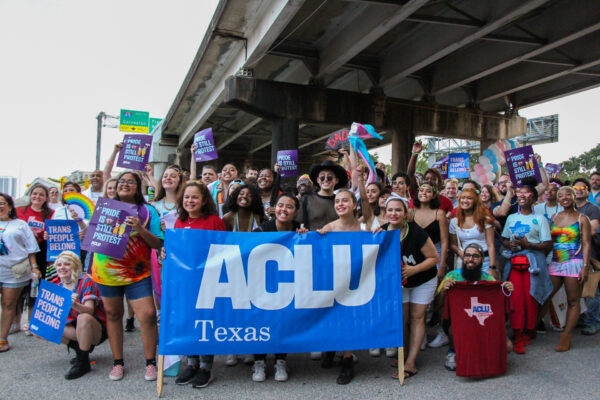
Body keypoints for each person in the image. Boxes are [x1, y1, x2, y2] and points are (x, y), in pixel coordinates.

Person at [90, 171, 163, 382]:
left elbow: (158, 242)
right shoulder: (104, 208)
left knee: (148, 315)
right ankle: (117, 362)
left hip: (137, 272)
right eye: (121, 181)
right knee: (113, 315)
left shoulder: (148, 211)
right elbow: (94, 237)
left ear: (138, 186)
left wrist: (139, 228)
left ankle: (150, 362)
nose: (124, 184)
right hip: (106, 271)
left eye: (130, 182)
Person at [171, 181, 225, 388]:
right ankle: (191, 364)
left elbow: (223, 250)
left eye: (194, 197)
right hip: (186, 283)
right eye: (186, 197)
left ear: (203, 201)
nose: (190, 201)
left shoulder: (214, 221)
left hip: (208, 281)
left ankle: (205, 368)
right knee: (188, 321)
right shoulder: (179, 222)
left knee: (205, 322)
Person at [378, 195, 439, 380]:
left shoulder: (416, 232)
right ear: (385, 212)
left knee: (417, 317)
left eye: (398, 210)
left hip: (423, 279)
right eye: (390, 210)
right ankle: (401, 355)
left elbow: (434, 258)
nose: (394, 213)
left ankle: (411, 362)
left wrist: (414, 270)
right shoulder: (381, 232)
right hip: (399, 284)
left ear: (405, 213)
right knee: (401, 319)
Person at [250, 193, 308, 382]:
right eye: (280, 205)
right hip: (262, 284)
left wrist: (305, 237)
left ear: (296, 211)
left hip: (288, 284)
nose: (284, 209)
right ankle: (259, 361)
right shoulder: (261, 231)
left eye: (289, 206)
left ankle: (280, 360)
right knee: (261, 320)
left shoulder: (300, 230)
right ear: (275, 209)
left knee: (283, 320)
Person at [438, 243, 513, 371]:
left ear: (482, 259)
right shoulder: (452, 276)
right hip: (460, 323)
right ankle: (453, 351)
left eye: (475, 256)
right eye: (467, 255)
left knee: (508, 346)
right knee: (452, 328)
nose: (470, 259)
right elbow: (438, 305)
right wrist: (445, 291)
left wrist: (507, 290)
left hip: (482, 322)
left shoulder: (489, 279)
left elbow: (499, 307)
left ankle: (484, 354)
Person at [501, 178, 553, 354]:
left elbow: (547, 244)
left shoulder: (540, 219)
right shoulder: (511, 217)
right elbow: (504, 239)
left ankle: (528, 332)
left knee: (531, 298)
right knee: (515, 298)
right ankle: (516, 332)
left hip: (533, 265)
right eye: (519, 192)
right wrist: (512, 245)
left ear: (534, 198)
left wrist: (528, 245)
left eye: (527, 193)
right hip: (514, 264)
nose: (522, 196)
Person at [318, 189, 365, 384]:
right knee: (333, 317)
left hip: (356, 280)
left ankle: (347, 359)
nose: (340, 204)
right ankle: (330, 349)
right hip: (333, 280)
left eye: (345, 201)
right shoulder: (328, 227)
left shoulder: (364, 227)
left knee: (348, 319)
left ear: (354, 205)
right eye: (337, 201)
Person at [547, 186, 591, 351]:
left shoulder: (582, 218)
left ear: (573, 197)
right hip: (556, 262)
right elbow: (549, 241)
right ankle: (532, 328)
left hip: (574, 262)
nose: (564, 197)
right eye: (560, 195)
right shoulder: (554, 217)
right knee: (546, 294)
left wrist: (585, 266)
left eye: (567, 194)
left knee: (573, 300)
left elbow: (586, 243)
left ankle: (566, 335)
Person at [54, 251, 107, 379]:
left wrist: (74, 305)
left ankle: (83, 362)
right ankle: (80, 349)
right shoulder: (58, 285)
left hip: (94, 327)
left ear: (75, 266)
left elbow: (90, 311)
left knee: (83, 317)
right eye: (59, 264)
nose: (62, 267)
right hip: (74, 326)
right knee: (42, 326)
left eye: (67, 264)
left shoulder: (85, 280)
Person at [410, 183, 449, 348]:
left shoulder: (439, 214)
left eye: (428, 191)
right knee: (419, 298)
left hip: (436, 254)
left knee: (437, 298)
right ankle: (421, 334)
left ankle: (442, 331)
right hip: (415, 256)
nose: (424, 193)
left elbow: (445, 241)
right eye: (421, 190)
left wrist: (441, 265)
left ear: (434, 195)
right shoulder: (411, 212)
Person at [0, 193, 40, 352]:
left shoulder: (20, 224)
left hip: (14, 272)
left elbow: (31, 248)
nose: (0, 206)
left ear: (10, 207)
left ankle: (2, 339)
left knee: (8, 304)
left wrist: (35, 267)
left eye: (3, 203)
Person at [17, 183, 53, 334]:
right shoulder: (19, 211)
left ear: (46, 198)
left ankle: (32, 323)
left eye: (41, 195)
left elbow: (56, 233)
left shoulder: (51, 213)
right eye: (35, 193)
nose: (37, 197)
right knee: (19, 288)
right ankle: (15, 322)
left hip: (41, 253)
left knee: (36, 289)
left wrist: (49, 236)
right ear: (30, 195)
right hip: (20, 253)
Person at [572, 177, 600, 335]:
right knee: (576, 289)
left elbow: (593, 230)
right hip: (570, 255)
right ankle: (582, 318)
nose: (580, 189)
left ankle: (593, 321)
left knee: (592, 290)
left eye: (583, 187)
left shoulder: (593, 209)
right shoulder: (569, 208)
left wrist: (569, 233)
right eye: (576, 187)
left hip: (590, 255)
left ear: (588, 191)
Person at [449, 189, 496, 276]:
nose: (465, 201)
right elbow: (452, 244)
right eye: (463, 198)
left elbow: (491, 245)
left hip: (484, 262)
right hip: (465, 262)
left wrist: (492, 267)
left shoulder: (485, 220)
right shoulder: (454, 222)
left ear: (475, 201)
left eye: (469, 198)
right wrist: (461, 252)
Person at [297, 160, 349, 231]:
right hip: (312, 241)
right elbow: (295, 224)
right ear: (318, 180)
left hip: (336, 241)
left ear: (336, 180)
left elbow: (349, 222)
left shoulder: (341, 202)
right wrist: (300, 230)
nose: (326, 180)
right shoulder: (306, 200)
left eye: (329, 177)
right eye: (322, 177)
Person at [407, 142, 454, 214]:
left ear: (439, 182)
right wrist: (414, 154)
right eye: (426, 179)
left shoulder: (447, 202)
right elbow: (410, 174)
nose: (429, 181)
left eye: (433, 179)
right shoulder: (417, 194)